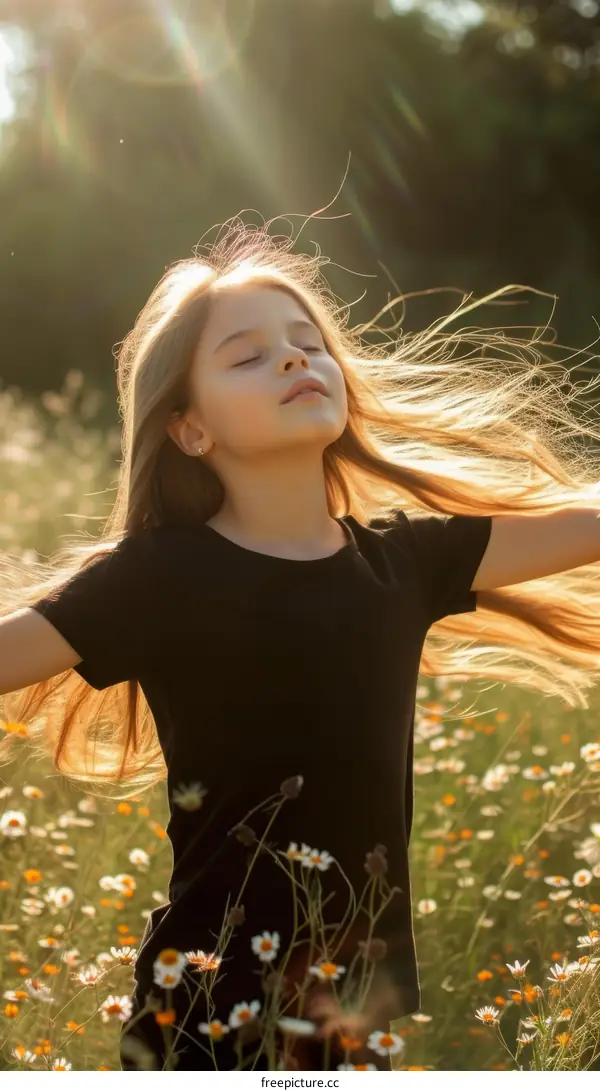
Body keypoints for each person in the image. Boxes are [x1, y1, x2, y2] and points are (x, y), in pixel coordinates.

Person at [2, 216, 600, 1071]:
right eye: (247, 356)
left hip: (353, 1012)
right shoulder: (158, 577)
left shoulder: (405, 562)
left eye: (308, 344)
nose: (293, 359)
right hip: (204, 1005)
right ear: (190, 429)